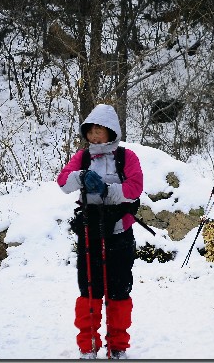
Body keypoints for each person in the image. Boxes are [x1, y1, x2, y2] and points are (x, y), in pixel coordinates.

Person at [57, 104, 143, 359]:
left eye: (100, 131)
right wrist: (82, 176)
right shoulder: (82, 157)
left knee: (119, 291)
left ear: (111, 132)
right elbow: (63, 182)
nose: (95, 136)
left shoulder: (127, 157)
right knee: (89, 290)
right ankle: (88, 346)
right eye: (91, 131)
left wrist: (107, 191)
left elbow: (135, 187)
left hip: (118, 230)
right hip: (89, 231)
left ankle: (117, 347)